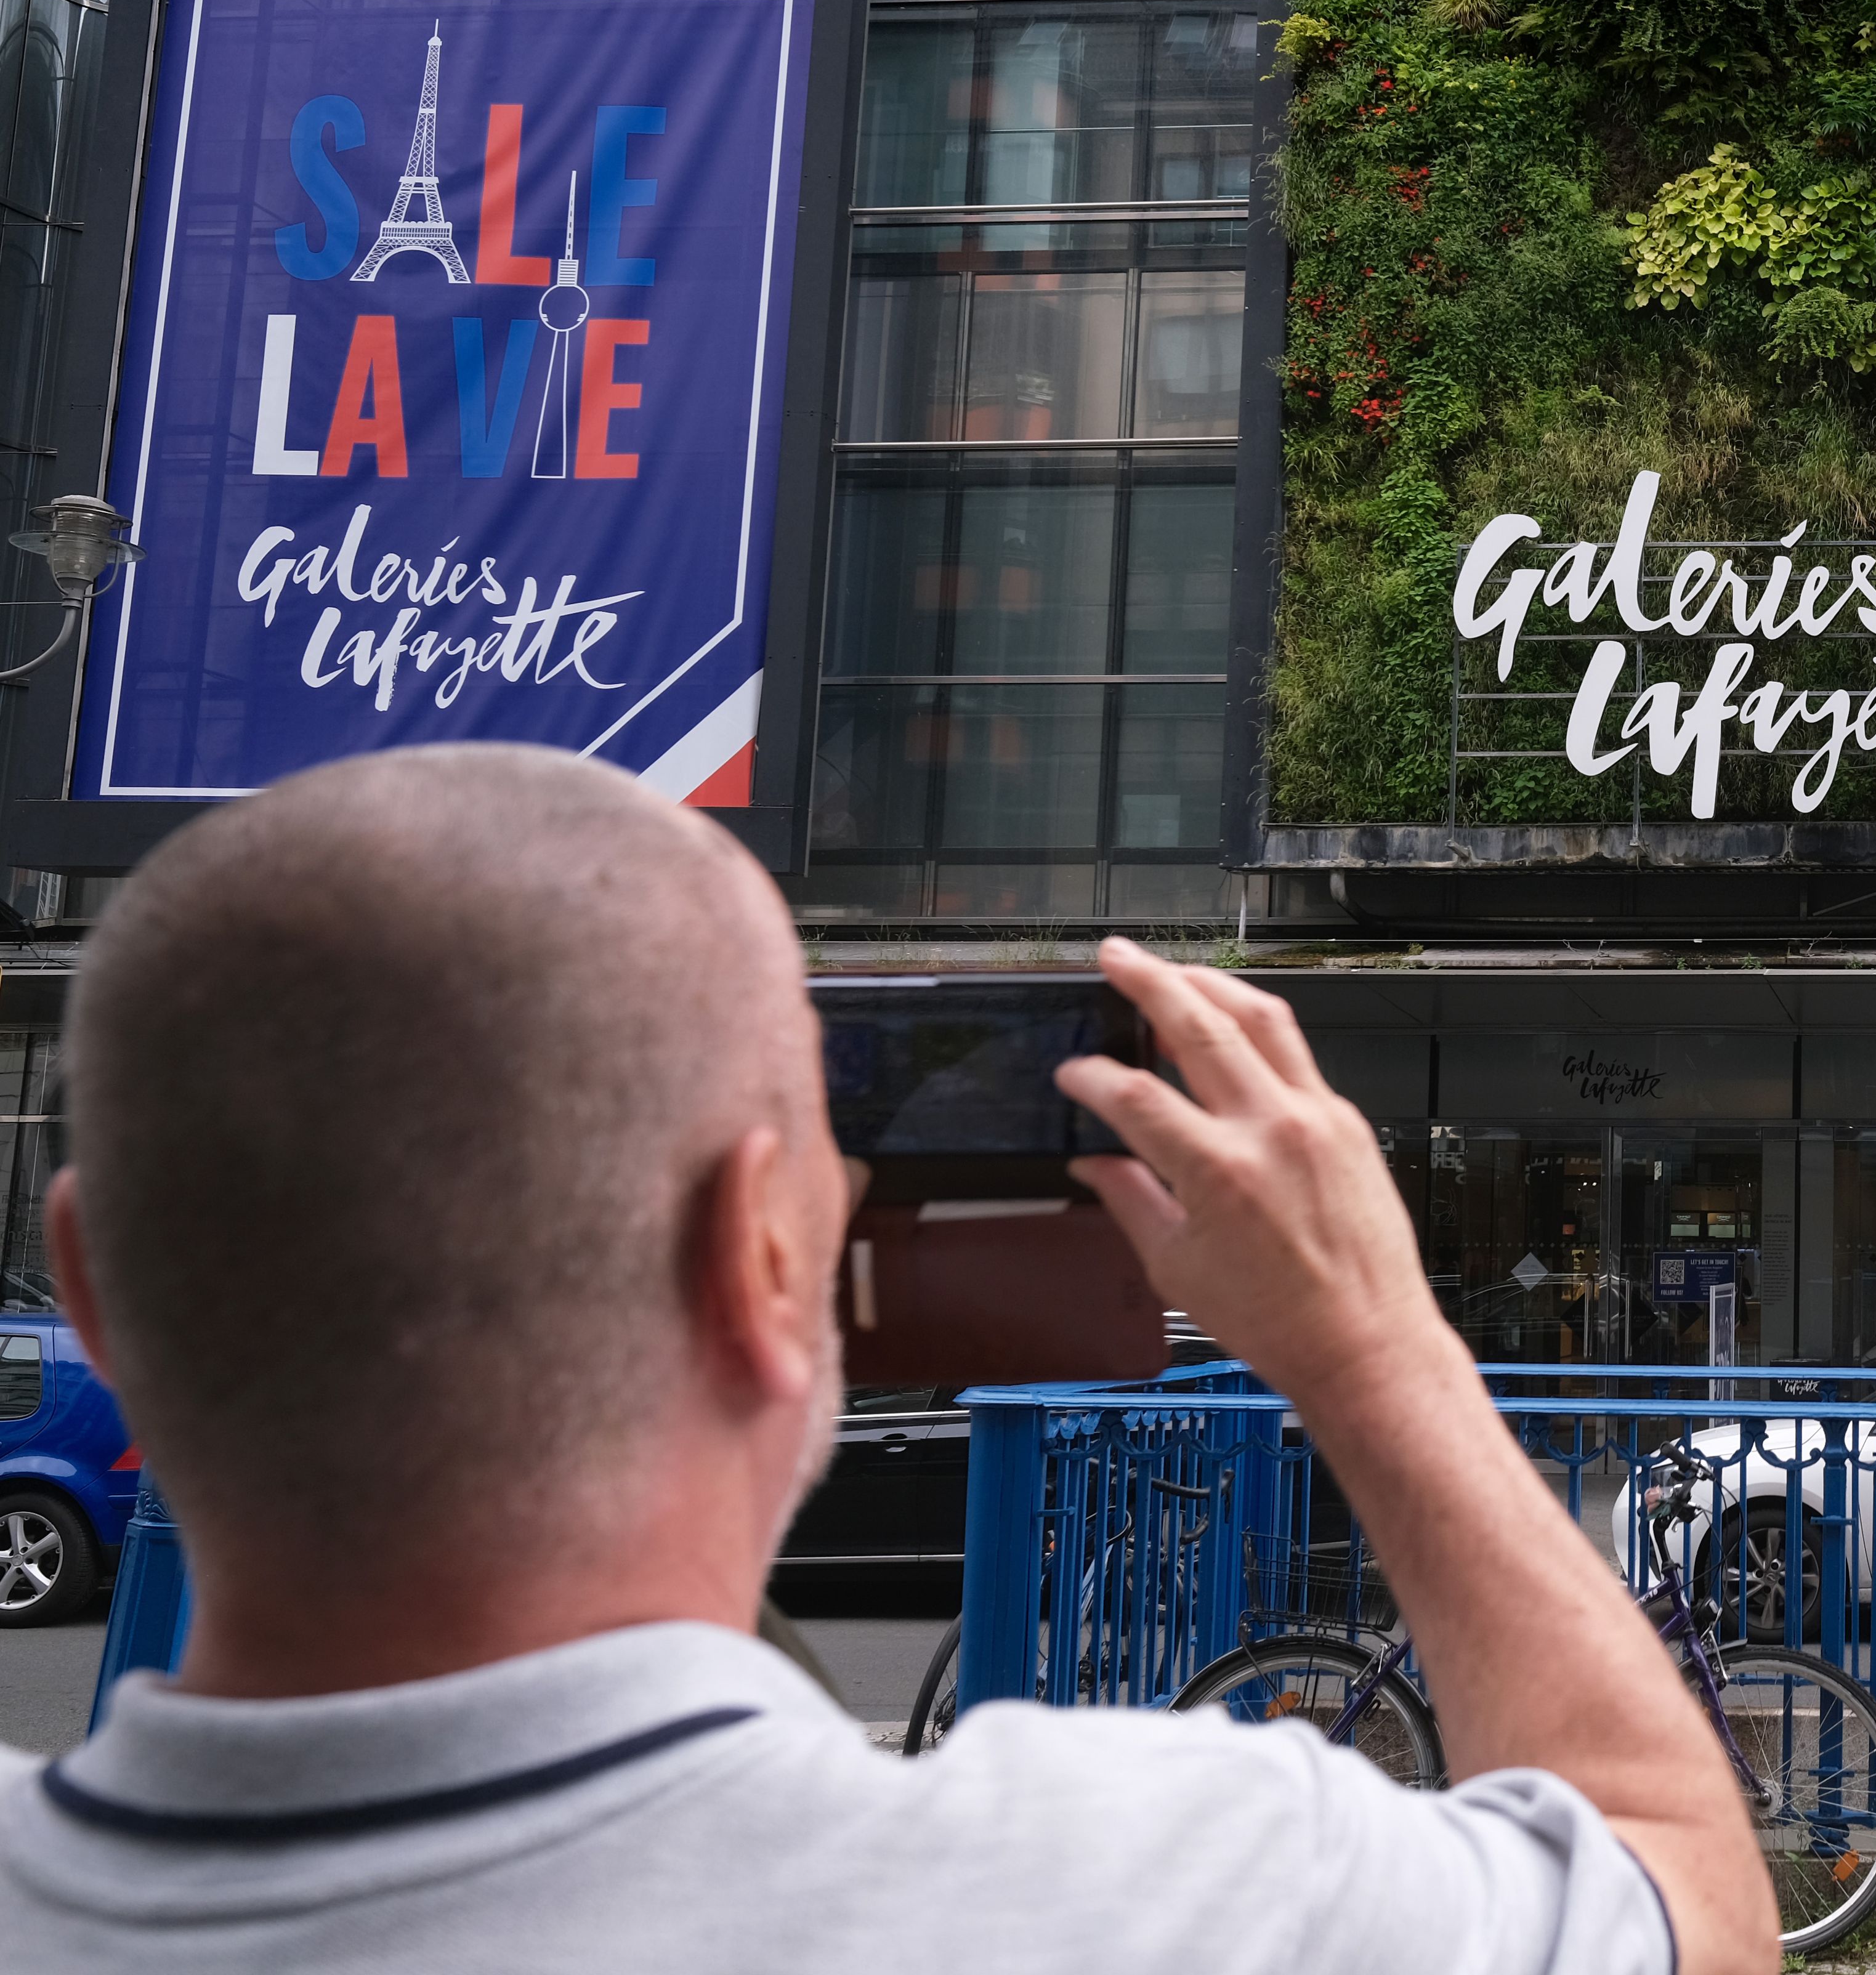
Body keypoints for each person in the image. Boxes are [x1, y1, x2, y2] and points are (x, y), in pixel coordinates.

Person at [0, 746, 1768, 1973]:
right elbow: (1686, 1888)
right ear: (768, 1252)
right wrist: (1374, 1346)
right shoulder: (1180, 1893)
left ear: (91, 1291)